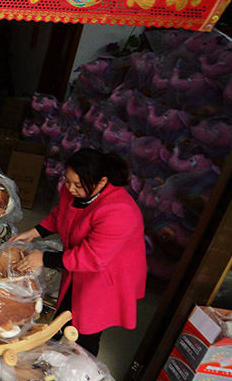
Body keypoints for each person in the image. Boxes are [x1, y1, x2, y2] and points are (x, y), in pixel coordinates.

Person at [10, 148, 146, 357]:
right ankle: (51, 352)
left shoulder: (119, 210)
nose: (71, 188)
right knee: (66, 311)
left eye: (78, 185)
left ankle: (84, 368)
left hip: (108, 275)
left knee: (87, 327)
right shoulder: (73, 191)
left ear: (102, 182)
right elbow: (61, 214)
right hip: (81, 264)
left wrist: (43, 258)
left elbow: (93, 257)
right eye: (68, 181)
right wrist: (35, 232)